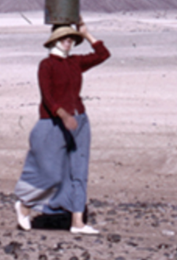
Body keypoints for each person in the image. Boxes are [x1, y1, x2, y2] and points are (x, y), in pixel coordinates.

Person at [14, 22, 110, 234]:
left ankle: (77, 222)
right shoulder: (46, 65)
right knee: (51, 172)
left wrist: (87, 34)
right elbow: (47, 97)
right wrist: (64, 115)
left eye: (71, 39)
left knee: (79, 169)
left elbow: (103, 54)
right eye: (64, 38)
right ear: (55, 41)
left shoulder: (75, 62)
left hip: (79, 121)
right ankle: (25, 205)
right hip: (53, 122)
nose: (68, 42)